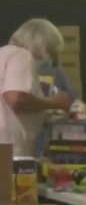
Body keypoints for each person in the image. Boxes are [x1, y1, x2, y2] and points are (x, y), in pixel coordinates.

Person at [1, 18, 73, 156]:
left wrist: (41, 113)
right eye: (51, 52)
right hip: (7, 148)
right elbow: (15, 99)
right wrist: (53, 102)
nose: (50, 60)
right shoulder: (21, 55)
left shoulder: (4, 54)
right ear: (41, 46)